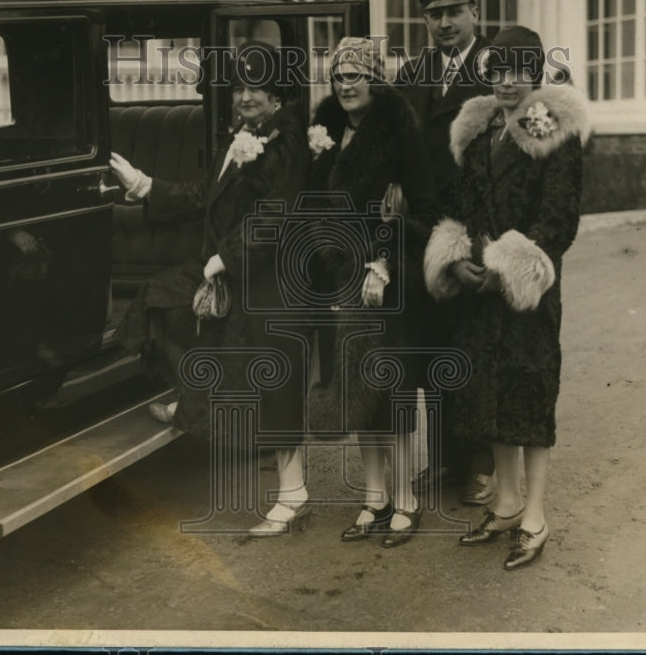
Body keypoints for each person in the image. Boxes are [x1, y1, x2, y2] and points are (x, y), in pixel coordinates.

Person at [109, 41, 313, 537]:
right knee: (161, 302)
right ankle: (194, 395)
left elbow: (274, 219)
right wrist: (142, 185)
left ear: (277, 97)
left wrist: (226, 259)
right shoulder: (240, 138)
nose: (244, 97)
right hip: (235, 274)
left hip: (271, 283)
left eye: (256, 89)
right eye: (239, 88)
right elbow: (204, 194)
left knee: (273, 383)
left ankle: (294, 493)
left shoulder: (288, 145)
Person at [423, 25, 589, 569]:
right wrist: (463, 258)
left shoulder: (552, 128)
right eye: (496, 70)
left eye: (518, 70)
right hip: (481, 292)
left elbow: (559, 219)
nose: (507, 82)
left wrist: (507, 268)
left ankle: (536, 516)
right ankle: (506, 502)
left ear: (536, 72)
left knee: (530, 396)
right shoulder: (480, 128)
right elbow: (468, 203)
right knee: (489, 396)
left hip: (526, 294)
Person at [308, 36, 439, 548]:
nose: (346, 85)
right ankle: (375, 497)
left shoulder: (401, 130)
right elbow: (312, 200)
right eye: (339, 76)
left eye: (356, 75)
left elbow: (425, 210)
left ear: (376, 79)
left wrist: (386, 260)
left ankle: (406, 500)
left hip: (385, 281)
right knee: (353, 388)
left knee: (393, 389)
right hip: (336, 275)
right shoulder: (326, 130)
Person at [394, 0, 498, 506]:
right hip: (426, 231)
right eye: (435, 15)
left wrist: (474, 245)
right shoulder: (415, 74)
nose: (444, 24)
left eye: (454, 12)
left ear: (475, 12)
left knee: (473, 350)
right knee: (435, 348)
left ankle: (479, 464)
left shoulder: (496, 69)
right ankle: (444, 461)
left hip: (480, 230)